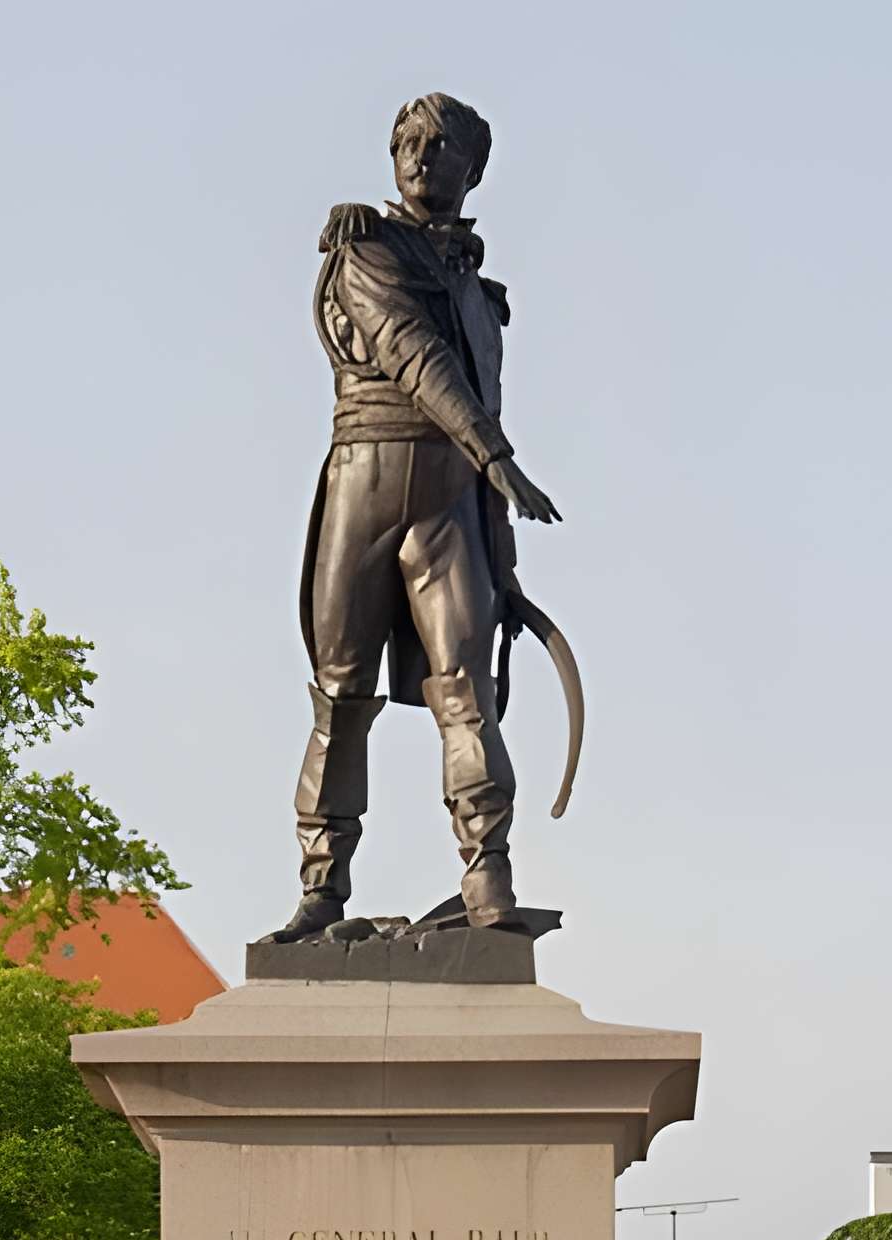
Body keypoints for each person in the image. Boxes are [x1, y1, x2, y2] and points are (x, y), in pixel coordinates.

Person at [279, 91, 562, 940]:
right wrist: (498, 457)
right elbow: (410, 350)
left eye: (442, 146)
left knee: (467, 687)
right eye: (408, 141)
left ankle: (489, 882)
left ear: (474, 169)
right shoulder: (364, 246)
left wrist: (500, 549)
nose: (421, 155)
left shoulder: (479, 287)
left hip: (451, 496)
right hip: (369, 474)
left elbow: (484, 388)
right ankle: (321, 890)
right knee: (340, 692)